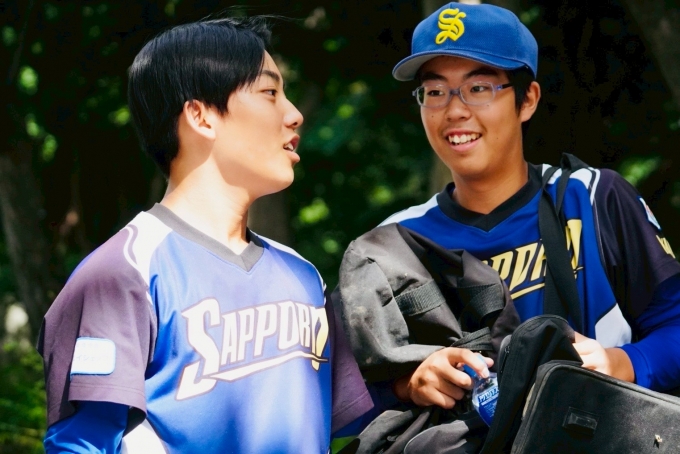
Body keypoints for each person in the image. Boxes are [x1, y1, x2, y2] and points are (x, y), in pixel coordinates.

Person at [37, 17, 372, 453]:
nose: (294, 115)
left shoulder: (303, 276)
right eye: (270, 93)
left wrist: (413, 381)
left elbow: (341, 425)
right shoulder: (124, 273)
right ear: (200, 116)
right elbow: (81, 443)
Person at [338, 1, 680, 411]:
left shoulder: (591, 199)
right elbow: (335, 396)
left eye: (478, 88)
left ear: (527, 99)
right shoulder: (395, 246)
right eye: (435, 92)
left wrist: (625, 362)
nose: (455, 110)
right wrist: (406, 384)